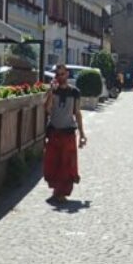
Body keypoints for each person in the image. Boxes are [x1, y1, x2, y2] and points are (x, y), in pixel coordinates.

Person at [43, 64, 87, 206]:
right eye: (58, 75)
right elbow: (48, 110)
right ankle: (56, 192)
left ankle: (62, 193)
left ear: (67, 74)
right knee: (53, 162)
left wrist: (82, 134)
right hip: (54, 131)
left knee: (67, 164)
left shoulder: (75, 92)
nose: (60, 77)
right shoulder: (53, 92)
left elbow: (77, 113)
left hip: (68, 131)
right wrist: (50, 93)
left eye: (62, 74)